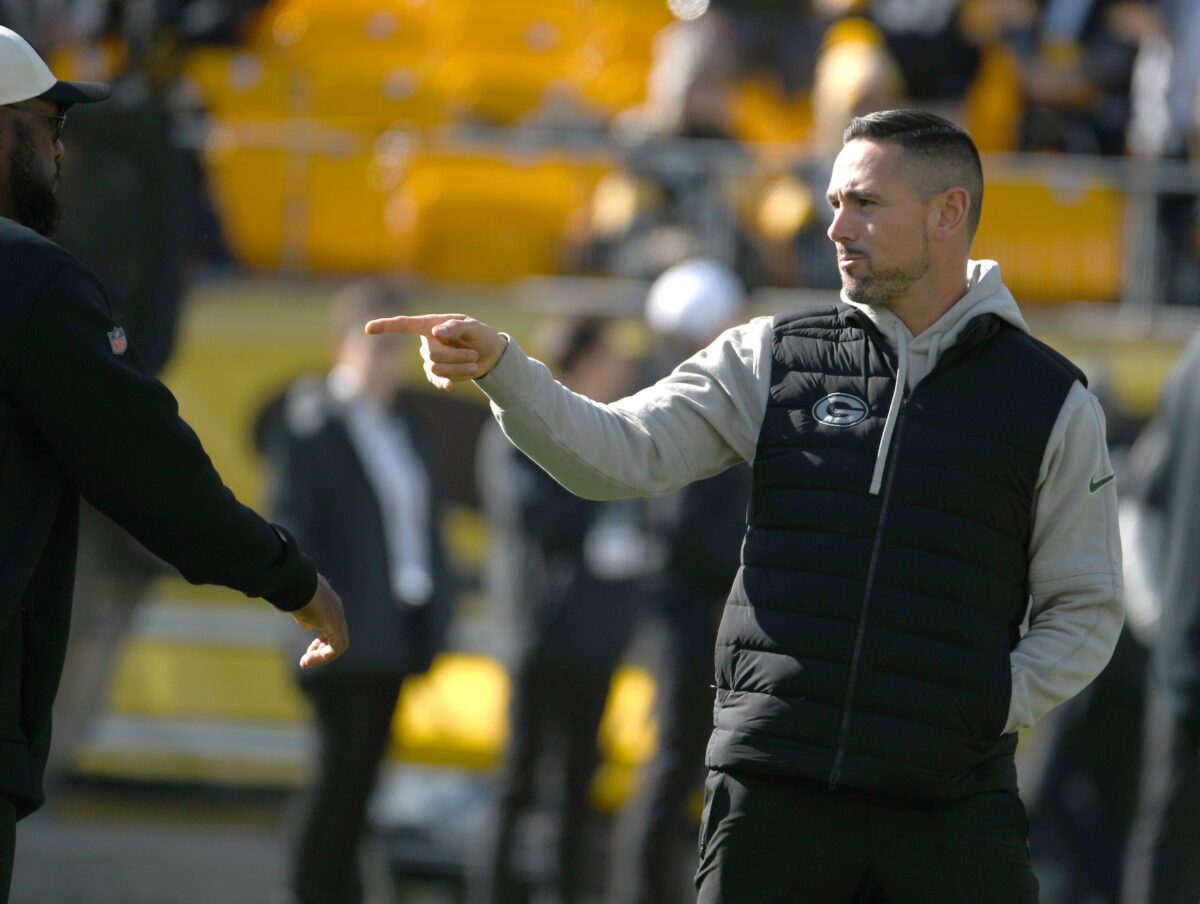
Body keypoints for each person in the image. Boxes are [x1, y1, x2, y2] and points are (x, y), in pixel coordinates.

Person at [367, 108, 1124, 902]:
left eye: (863, 203)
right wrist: (509, 372)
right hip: (772, 787)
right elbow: (622, 453)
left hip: (949, 799)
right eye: (832, 202)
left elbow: (1086, 605)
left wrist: (986, 702)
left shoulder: (1050, 400)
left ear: (948, 213)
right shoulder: (773, 353)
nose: (835, 225)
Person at [0, 25, 347, 902]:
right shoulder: (33, 282)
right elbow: (154, 475)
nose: (61, 157)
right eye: (46, 129)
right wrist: (293, 578)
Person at [262, 278, 455, 904]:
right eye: (371, 342)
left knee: (363, 780)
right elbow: (295, 525)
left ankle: (336, 890)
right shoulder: (312, 421)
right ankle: (310, 889)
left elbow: (419, 531)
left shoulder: (403, 427)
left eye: (394, 346)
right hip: (338, 631)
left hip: (394, 628)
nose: (384, 360)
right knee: (339, 777)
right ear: (339, 345)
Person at [467, 316, 644, 904]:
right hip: (538, 633)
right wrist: (599, 488)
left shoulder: (614, 425)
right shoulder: (520, 423)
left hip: (596, 635)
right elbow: (528, 512)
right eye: (611, 353)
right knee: (518, 782)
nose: (622, 365)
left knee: (578, 785)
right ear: (585, 360)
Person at [609, 260, 751, 904]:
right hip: (690, 616)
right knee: (673, 765)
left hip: (703, 611)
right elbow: (681, 521)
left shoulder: (697, 394)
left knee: (691, 766)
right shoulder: (685, 399)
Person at [1120, 331, 1200, 904]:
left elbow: (1138, 505)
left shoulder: (1190, 364)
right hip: (1182, 662)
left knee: (1166, 835)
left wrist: (1159, 624)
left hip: (1180, 658)